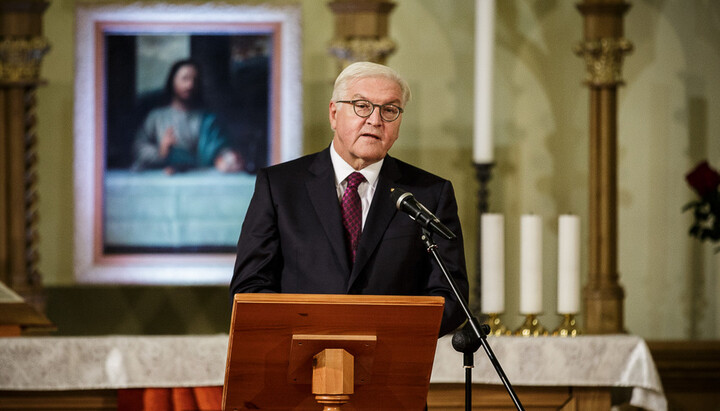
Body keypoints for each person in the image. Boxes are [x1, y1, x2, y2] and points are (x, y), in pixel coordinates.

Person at [229, 62, 468, 336]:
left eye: (389, 110)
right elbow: (249, 289)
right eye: (362, 105)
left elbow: (451, 298)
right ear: (334, 113)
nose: (375, 120)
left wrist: (384, 334)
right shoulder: (280, 187)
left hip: (389, 365)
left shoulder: (429, 194)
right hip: (299, 362)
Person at [132, 59, 242, 174]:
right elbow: (138, 148)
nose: (190, 85)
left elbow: (222, 149)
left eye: (195, 80)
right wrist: (161, 151)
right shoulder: (156, 117)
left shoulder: (208, 120)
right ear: (172, 81)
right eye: (185, 79)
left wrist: (227, 159)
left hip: (202, 180)